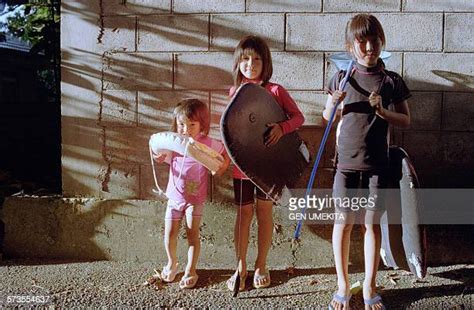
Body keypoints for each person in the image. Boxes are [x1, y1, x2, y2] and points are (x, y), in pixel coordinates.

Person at [324, 14, 411, 310]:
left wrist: (383, 112)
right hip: (344, 163)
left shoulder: (391, 81)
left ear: (381, 42)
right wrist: (332, 103)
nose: (369, 46)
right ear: (351, 46)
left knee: (371, 225)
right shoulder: (341, 77)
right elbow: (327, 118)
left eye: (374, 40)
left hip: (377, 165)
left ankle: (370, 286)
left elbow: (407, 120)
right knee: (343, 222)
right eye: (362, 41)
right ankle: (342, 285)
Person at [226, 35, 305, 291]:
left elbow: (298, 117)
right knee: (243, 215)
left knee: (264, 213)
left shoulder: (275, 91)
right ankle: (240, 267)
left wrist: (282, 128)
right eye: (245, 59)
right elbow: (231, 132)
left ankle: (261, 264)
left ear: (265, 62)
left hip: (268, 168)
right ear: (238, 62)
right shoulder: (234, 92)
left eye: (257, 59)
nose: (250, 63)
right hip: (242, 168)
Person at [153, 99, 230, 289]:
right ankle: (171, 263)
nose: (185, 129)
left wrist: (220, 167)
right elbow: (165, 156)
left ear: (202, 125)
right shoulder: (175, 143)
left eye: (191, 124)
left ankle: (191, 269)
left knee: (192, 235)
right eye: (181, 124)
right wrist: (161, 157)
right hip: (174, 198)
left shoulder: (207, 143)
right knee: (169, 234)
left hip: (194, 201)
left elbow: (225, 154)